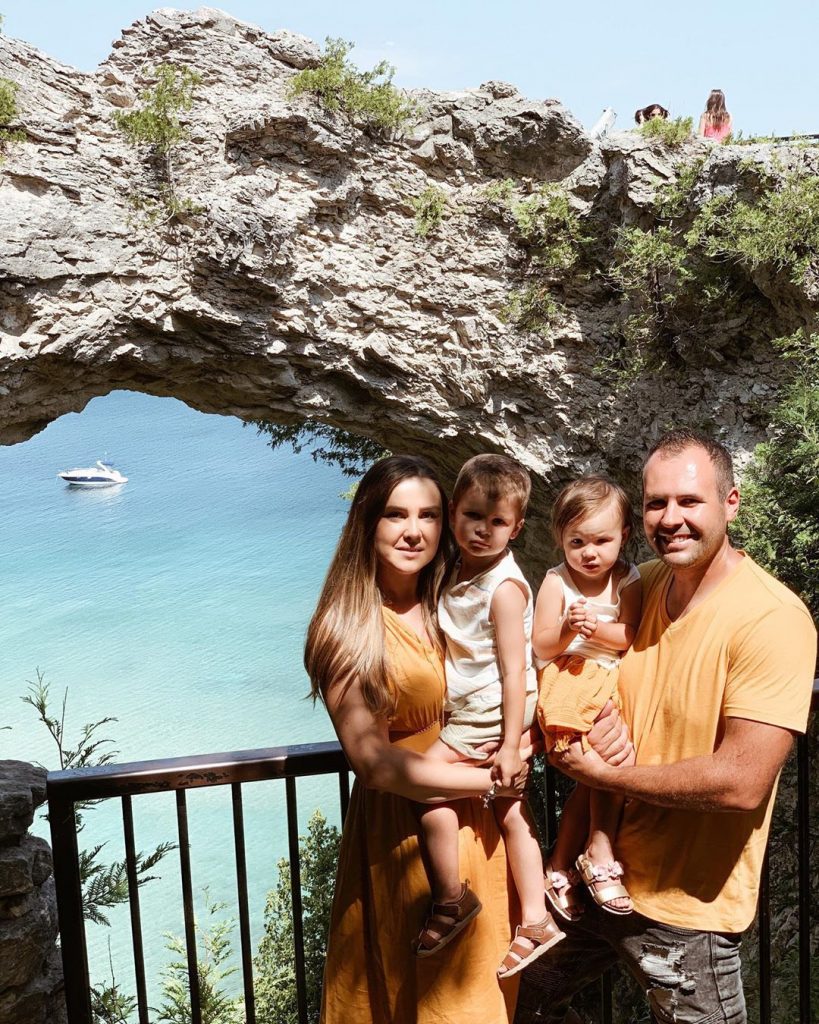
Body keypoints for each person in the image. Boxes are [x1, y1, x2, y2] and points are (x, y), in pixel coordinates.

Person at [515, 429, 816, 1024]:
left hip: (684, 915)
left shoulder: (771, 619)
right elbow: (564, 667)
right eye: (656, 503)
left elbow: (740, 782)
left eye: (689, 501)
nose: (671, 518)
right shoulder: (637, 586)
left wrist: (603, 774)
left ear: (731, 502)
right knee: (509, 1002)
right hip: (590, 886)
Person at [307, 454, 527, 1024]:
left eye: (428, 515)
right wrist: (490, 780)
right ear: (367, 523)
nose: (413, 531)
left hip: (476, 827)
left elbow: (514, 669)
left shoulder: (453, 601)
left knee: (482, 999)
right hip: (408, 836)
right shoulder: (347, 626)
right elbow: (375, 763)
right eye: (396, 515)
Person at [415, 455, 564, 978]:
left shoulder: (502, 588)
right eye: (474, 516)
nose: (483, 530)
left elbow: (511, 670)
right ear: (453, 512)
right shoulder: (457, 570)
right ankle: (535, 920)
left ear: (516, 528)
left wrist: (507, 744)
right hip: (479, 710)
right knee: (510, 809)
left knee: (426, 788)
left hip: (489, 712)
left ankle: (452, 898)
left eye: (498, 522)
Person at [534, 477, 641, 920]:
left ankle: (561, 863)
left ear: (624, 537)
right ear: (560, 537)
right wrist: (567, 630)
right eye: (577, 541)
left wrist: (596, 629)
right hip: (570, 674)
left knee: (594, 778)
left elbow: (629, 634)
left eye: (602, 540)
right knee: (611, 767)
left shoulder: (627, 578)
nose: (589, 552)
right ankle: (598, 853)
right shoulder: (557, 582)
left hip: (609, 675)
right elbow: (541, 645)